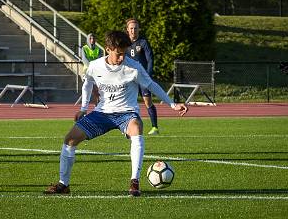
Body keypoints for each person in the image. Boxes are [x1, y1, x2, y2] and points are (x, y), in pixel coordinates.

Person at [44, 31, 188, 197]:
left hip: (126, 113)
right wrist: (83, 109)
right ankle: (64, 184)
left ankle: (135, 181)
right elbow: (87, 84)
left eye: (124, 53)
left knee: (137, 127)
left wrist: (173, 104)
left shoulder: (134, 67)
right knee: (70, 139)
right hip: (102, 114)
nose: (121, 58)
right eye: (118, 54)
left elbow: (151, 85)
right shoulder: (95, 66)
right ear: (107, 49)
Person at [125, 18, 159, 135]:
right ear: (127, 30)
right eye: (131, 28)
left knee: (147, 102)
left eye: (135, 28)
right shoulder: (124, 43)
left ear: (139, 29)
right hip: (130, 78)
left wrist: (148, 75)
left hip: (143, 78)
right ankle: (129, 128)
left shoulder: (143, 42)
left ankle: (155, 127)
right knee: (129, 103)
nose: (133, 30)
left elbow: (150, 60)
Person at [81, 33, 103, 104]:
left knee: (98, 89)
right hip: (87, 71)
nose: (92, 40)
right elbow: (84, 60)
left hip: (96, 71)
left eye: (93, 38)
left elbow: (99, 60)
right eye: (90, 38)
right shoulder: (84, 48)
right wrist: (92, 67)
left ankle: (97, 104)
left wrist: (95, 67)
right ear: (88, 39)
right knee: (87, 87)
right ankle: (84, 107)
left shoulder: (99, 50)